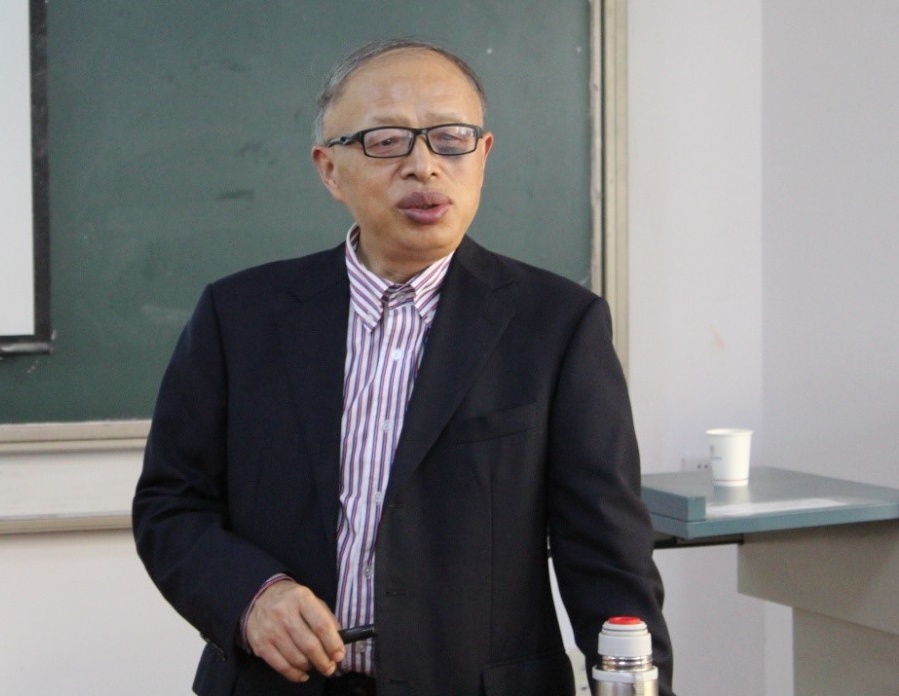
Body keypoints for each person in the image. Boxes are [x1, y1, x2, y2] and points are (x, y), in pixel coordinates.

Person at [133, 39, 674, 695]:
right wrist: (253, 596)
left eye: (451, 139)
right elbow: (171, 504)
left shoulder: (557, 326)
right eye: (386, 142)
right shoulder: (239, 316)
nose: (424, 166)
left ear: (483, 156)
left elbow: (607, 552)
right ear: (329, 169)